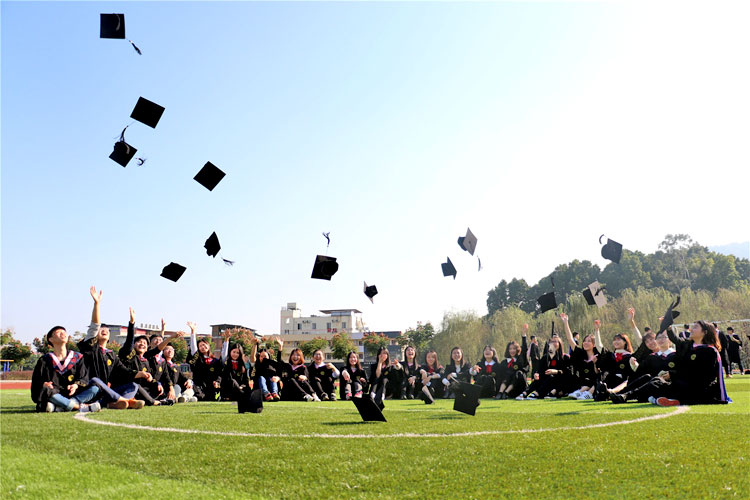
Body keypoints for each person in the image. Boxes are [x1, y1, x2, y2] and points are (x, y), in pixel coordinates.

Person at [612, 320, 729, 406]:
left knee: (655, 382)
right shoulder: (689, 348)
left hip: (696, 389)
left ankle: (631, 397)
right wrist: (668, 327)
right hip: (683, 385)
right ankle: (623, 395)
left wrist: (672, 374)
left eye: (695, 327)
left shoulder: (709, 351)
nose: (691, 329)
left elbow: (700, 375)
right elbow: (678, 342)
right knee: (653, 381)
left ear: (704, 332)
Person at [78, 286, 146, 410]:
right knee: (96, 381)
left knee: (133, 386)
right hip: (92, 388)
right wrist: (97, 304)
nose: (103, 330)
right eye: (101, 329)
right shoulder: (90, 348)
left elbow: (124, 371)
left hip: (107, 391)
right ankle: (125, 401)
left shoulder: (111, 355)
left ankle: (112, 403)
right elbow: (94, 326)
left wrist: (139, 373)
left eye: (106, 330)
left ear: (109, 337)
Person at [31, 325, 101, 412]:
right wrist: (44, 384)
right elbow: (37, 382)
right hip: (55, 393)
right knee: (46, 390)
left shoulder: (77, 357)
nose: (63, 333)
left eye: (64, 332)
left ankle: (60, 407)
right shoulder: (45, 360)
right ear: (50, 339)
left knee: (95, 387)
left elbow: (83, 378)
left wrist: (75, 385)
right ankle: (80, 407)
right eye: (58, 332)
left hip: (73, 394)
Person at [119, 307, 171, 406]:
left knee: (155, 388)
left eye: (144, 343)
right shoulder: (129, 355)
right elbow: (129, 342)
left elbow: (158, 349)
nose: (142, 344)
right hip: (127, 387)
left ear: (147, 348)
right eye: (139, 342)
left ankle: (140, 400)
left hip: (142, 389)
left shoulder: (145, 359)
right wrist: (132, 323)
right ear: (134, 345)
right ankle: (155, 402)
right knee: (136, 386)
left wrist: (156, 383)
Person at [610, 330, 676, 403]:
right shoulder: (652, 357)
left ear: (670, 340)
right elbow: (640, 371)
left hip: (669, 385)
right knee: (646, 377)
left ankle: (626, 396)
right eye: (658, 338)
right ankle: (619, 394)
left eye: (663, 337)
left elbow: (683, 369)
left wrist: (671, 374)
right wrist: (634, 364)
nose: (660, 340)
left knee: (655, 381)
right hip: (654, 385)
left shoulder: (676, 355)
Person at [560, 313, 599, 400]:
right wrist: (566, 323)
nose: (585, 342)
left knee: (597, 380)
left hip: (595, 382)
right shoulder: (581, 354)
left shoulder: (598, 356)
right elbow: (570, 339)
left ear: (594, 344)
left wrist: (595, 363)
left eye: (589, 341)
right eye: (584, 341)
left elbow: (598, 373)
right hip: (582, 381)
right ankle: (580, 392)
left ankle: (587, 393)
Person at [594, 321, 635, 399]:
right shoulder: (610, 355)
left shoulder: (630, 356)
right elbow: (599, 346)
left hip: (622, 382)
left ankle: (610, 392)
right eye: (614, 340)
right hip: (609, 380)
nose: (616, 342)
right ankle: (602, 392)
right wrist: (597, 330)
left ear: (625, 342)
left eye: (619, 339)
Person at [518, 335, 565, 400]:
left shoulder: (564, 357)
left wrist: (556, 371)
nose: (553, 343)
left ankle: (538, 393)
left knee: (551, 377)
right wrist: (537, 374)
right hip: (546, 379)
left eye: (556, 342)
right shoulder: (545, 357)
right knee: (539, 378)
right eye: (552, 342)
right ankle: (526, 392)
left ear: (560, 344)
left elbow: (566, 372)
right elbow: (540, 370)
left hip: (558, 381)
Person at [186, 321, 223, 401]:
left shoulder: (215, 361)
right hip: (199, 385)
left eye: (204, 344)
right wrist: (193, 332)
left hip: (212, 385)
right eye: (200, 346)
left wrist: (217, 381)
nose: (203, 347)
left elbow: (219, 373)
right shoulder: (197, 358)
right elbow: (193, 348)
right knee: (201, 397)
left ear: (208, 346)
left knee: (215, 398)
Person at [494, 326, 529, 399]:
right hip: (506, 384)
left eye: (514, 348)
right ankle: (501, 392)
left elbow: (525, 348)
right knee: (507, 374)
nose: (512, 351)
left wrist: (523, 335)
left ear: (517, 349)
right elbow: (500, 376)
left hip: (518, 387)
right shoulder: (504, 362)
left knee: (516, 373)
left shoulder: (520, 359)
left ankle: (506, 392)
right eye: (510, 349)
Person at [219, 331, 251, 402]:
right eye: (234, 352)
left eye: (237, 353)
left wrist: (241, 387)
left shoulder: (242, 366)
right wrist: (226, 340)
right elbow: (224, 353)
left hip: (239, 388)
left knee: (247, 389)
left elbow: (245, 381)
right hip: (228, 389)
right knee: (232, 381)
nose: (235, 354)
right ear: (230, 352)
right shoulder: (226, 362)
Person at [253, 337, 281, 402]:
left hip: (271, 382)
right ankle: (266, 394)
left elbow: (279, 361)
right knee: (261, 378)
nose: (263, 358)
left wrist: (280, 347)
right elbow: (253, 356)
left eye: (265, 356)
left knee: (273, 378)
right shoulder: (258, 364)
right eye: (261, 356)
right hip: (261, 386)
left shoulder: (272, 364)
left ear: (269, 357)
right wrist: (255, 345)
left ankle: (274, 393)